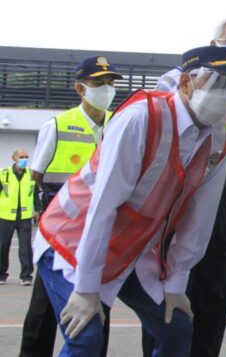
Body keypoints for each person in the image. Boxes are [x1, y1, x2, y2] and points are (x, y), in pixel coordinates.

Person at [34, 46, 226, 357]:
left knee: (177, 330)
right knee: (87, 337)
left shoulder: (220, 137)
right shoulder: (141, 118)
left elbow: (198, 220)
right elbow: (103, 206)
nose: (224, 94)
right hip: (72, 239)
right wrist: (85, 288)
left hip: (129, 249)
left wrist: (176, 283)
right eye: (215, 82)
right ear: (185, 83)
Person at [148, 16, 226, 357]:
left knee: (211, 314)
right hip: (176, 212)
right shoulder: (177, 80)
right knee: (165, 314)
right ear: (215, 44)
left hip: (224, 220)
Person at [20, 55, 121, 357]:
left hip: (100, 232)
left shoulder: (120, 123)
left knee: (96, 306)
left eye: (110, 83)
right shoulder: (58, 125)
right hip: (60, 232)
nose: (106, 89)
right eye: (98, 83)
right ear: (81, 89)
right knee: (44, 307)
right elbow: (35, 176)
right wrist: (41, 215)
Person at [0, 149, 35, 286]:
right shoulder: (4, 174)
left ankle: (26, 276)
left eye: (26, 157)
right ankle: (1, 274)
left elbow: (34, 193)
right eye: (21, 157)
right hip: (5, 216)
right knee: (2, 246)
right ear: (14, 158)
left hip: (24, 216)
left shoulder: (31, 174)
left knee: (26, 246)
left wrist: (37, 209)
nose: (24, 159)